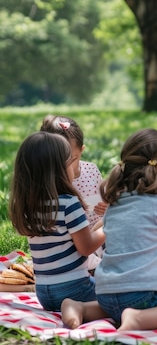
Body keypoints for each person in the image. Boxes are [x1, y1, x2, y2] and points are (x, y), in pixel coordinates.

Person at [60, 128, 157, 331]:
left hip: (105, 293)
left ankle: (81, 308)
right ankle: (137, 320)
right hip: (142, 295)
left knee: (118, 304)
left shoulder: (115, 205)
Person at [8, 131, 105, 311]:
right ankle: (77, 310)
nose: (75, 169)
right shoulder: (68, 203)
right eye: (70, 162)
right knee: (120, 299)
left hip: (44, 294)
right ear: (58, 170)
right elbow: (87, 247)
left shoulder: (28, 206)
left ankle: (73, 309)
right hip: (76, 289)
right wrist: (108, 225)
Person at [40, 114, 107, 270]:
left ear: (82, 151)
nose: (66, 168)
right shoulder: (48, 183)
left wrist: (106, 207)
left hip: (96, 237)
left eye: (73, 159)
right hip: (71, 245)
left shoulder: (91, 171)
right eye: (61, 162)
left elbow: (103, 207)